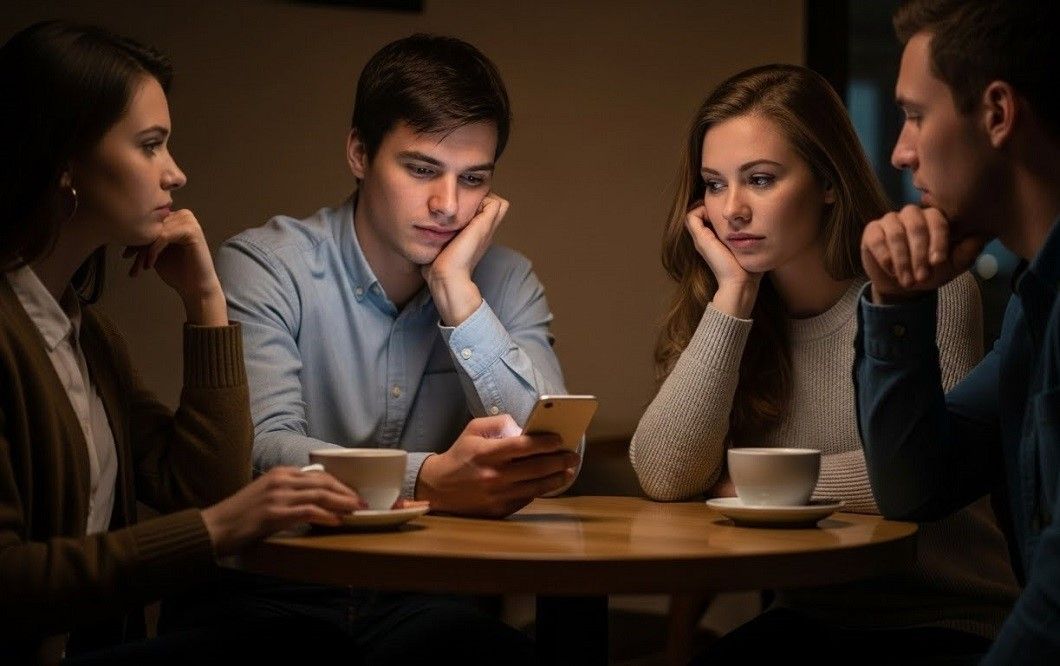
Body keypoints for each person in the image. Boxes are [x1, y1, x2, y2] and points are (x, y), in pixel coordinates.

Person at [0, 20, 368, 664]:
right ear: (64, 162)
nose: (175, 173)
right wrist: (215, 529)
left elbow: (203, 485)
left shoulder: (87, 337)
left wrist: (205, 303)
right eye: (150, 146)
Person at [629, 63, 1017, 662]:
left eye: (760, 179)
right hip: (811, 617)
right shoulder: (732, 314)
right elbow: (664, 474)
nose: (732, 210)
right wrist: (734, 295)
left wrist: (740, 484)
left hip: (946, 617)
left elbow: (915, 473)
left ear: (828, 181)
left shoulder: (922, 291)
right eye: (714, 184)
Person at [216, 33, 579, 519]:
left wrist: (457, 294)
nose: (448, 206)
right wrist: (423, 478)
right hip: (295, 564)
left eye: (473, 179)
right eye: (422, 170)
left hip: (445, 565)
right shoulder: (266, 266)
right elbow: (258, 450)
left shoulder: (507, 279)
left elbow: (557, 458)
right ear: (359, 154)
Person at [856, 0, 1060, 662]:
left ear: (997, 113)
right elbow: (915, 487)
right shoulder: (1036, 308)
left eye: (916, 115)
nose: (900, 151)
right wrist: (897, 303)